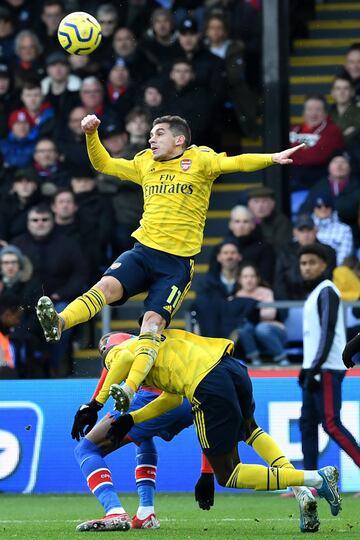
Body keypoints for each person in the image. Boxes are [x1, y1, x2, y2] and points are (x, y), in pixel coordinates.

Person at [36, 113, 305, 412]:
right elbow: (104, 164)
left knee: (152, 325)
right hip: (143, 251)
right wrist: (91, 134)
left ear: (179, 140)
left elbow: (238, 162)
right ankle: (60, 323)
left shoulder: (200, 161)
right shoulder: (144, 162)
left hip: (176, 265)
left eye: (159, 133)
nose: (151, 138)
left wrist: (273, 157)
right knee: (105, 286)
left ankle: (129, 387)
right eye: (151, 133)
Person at [72, 330, 320, 533]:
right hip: (203, 382)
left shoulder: (119, 346)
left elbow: (119, 359)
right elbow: (199, 415)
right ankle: (146, 512)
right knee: (250, 431)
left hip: (160, 397)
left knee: (87, 447)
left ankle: (114, 511)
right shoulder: (161, 338)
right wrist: (206, 472)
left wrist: (94, 405)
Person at [298, 243, 360, 470]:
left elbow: (328, 331)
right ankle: (310, 481)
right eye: (303, 263)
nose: (306, 268)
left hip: (327, 368)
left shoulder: (327, 290)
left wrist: (313, 367)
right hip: (315, 368)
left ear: (324, 265)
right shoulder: (316, 293)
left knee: (331, 424)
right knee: (307, 424)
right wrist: (305, 368)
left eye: (312, 263)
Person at [228, 263, 290, 367]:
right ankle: (254, 359)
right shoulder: (238, 295)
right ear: (239, 279)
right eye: (245, 276)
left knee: (261, 328)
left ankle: (281, 357)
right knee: (243, 328)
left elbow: (270, 314)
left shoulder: (266, 292)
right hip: (251, 333)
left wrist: (250, 314)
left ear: (258, 278)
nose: (249, 279)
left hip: (274, 331)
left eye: (252, 276)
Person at [274, 214, 337, 301]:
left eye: (309, 230)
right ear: (295, 232)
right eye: (302, 231)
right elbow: (279, 282)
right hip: (292, 301)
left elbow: (330, 278)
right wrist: (285, 307)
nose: (306, 235)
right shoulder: (285, 252)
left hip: (322, 300)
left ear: (316, 231)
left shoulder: (329, 251)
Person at [289, 94, 345, 190]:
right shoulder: (294, 129)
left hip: (317, 182)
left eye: (318, 110)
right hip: (292, 179)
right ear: (303, 112)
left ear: (325, 113)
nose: (313, 114)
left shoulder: (332, 131)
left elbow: (314, 158)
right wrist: (303, 150)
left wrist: (292, 151)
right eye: (309, 109)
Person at [299, 153, 360, 231]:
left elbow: (350, 209)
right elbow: (305, 208)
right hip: (319, 231)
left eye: (343, 162)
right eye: (335, 162)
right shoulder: (319, 186)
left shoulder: (357, 186)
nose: (339, 166)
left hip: (352, 233)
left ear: (350, 167)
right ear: (328, 166)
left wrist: (323, 208)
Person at [246, 186, 293, 252]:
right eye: (256, 201)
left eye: (264, 201)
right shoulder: (244, 220)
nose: (260, 206)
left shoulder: (281, 221)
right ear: (249, 205)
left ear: (272, 204)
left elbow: (281, 248)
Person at [311, 194, 354, 266]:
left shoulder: (344, 230)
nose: (323, 209)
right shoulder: (306, 228)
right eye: (319, 206)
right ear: (313, 209)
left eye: (327, 206)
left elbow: (344, 257)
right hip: (309, 270)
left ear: (332, 208)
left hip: (334, 271)